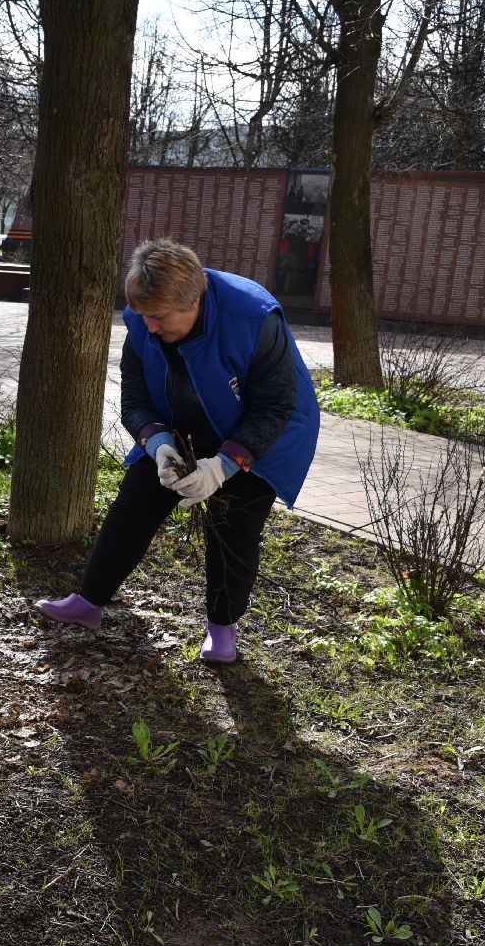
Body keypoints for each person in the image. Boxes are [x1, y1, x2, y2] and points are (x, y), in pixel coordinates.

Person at [34, 239, 319, 663]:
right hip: (182, 426)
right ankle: (89, 602)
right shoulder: (141, 318)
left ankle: (222, 631)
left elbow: (276, 407)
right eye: (143, 315)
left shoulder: (253, 318)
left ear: (194, 300)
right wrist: (156, 441)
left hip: (263, 435)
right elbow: (134, 395)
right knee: (135, 502)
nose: (148, 327)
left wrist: (223, 467)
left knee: (233, 528)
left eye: (159, 317)